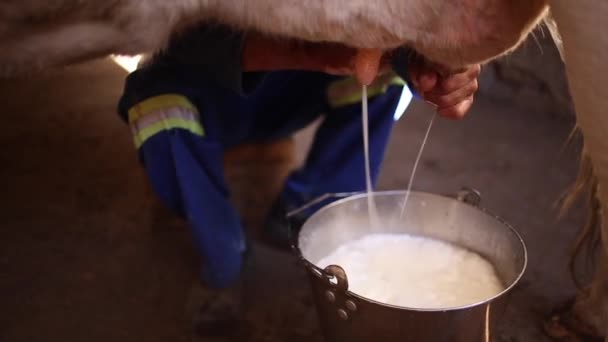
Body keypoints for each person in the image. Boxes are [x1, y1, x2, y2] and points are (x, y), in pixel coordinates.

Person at [116, 23, 480, 331]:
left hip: (294, 87)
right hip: (203, 86)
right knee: (156, 110)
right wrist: (306, 53)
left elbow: (397, 27)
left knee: (384, 80)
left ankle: (310, 209)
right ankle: (225, 256)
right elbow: (168, 34)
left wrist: (431, 67)